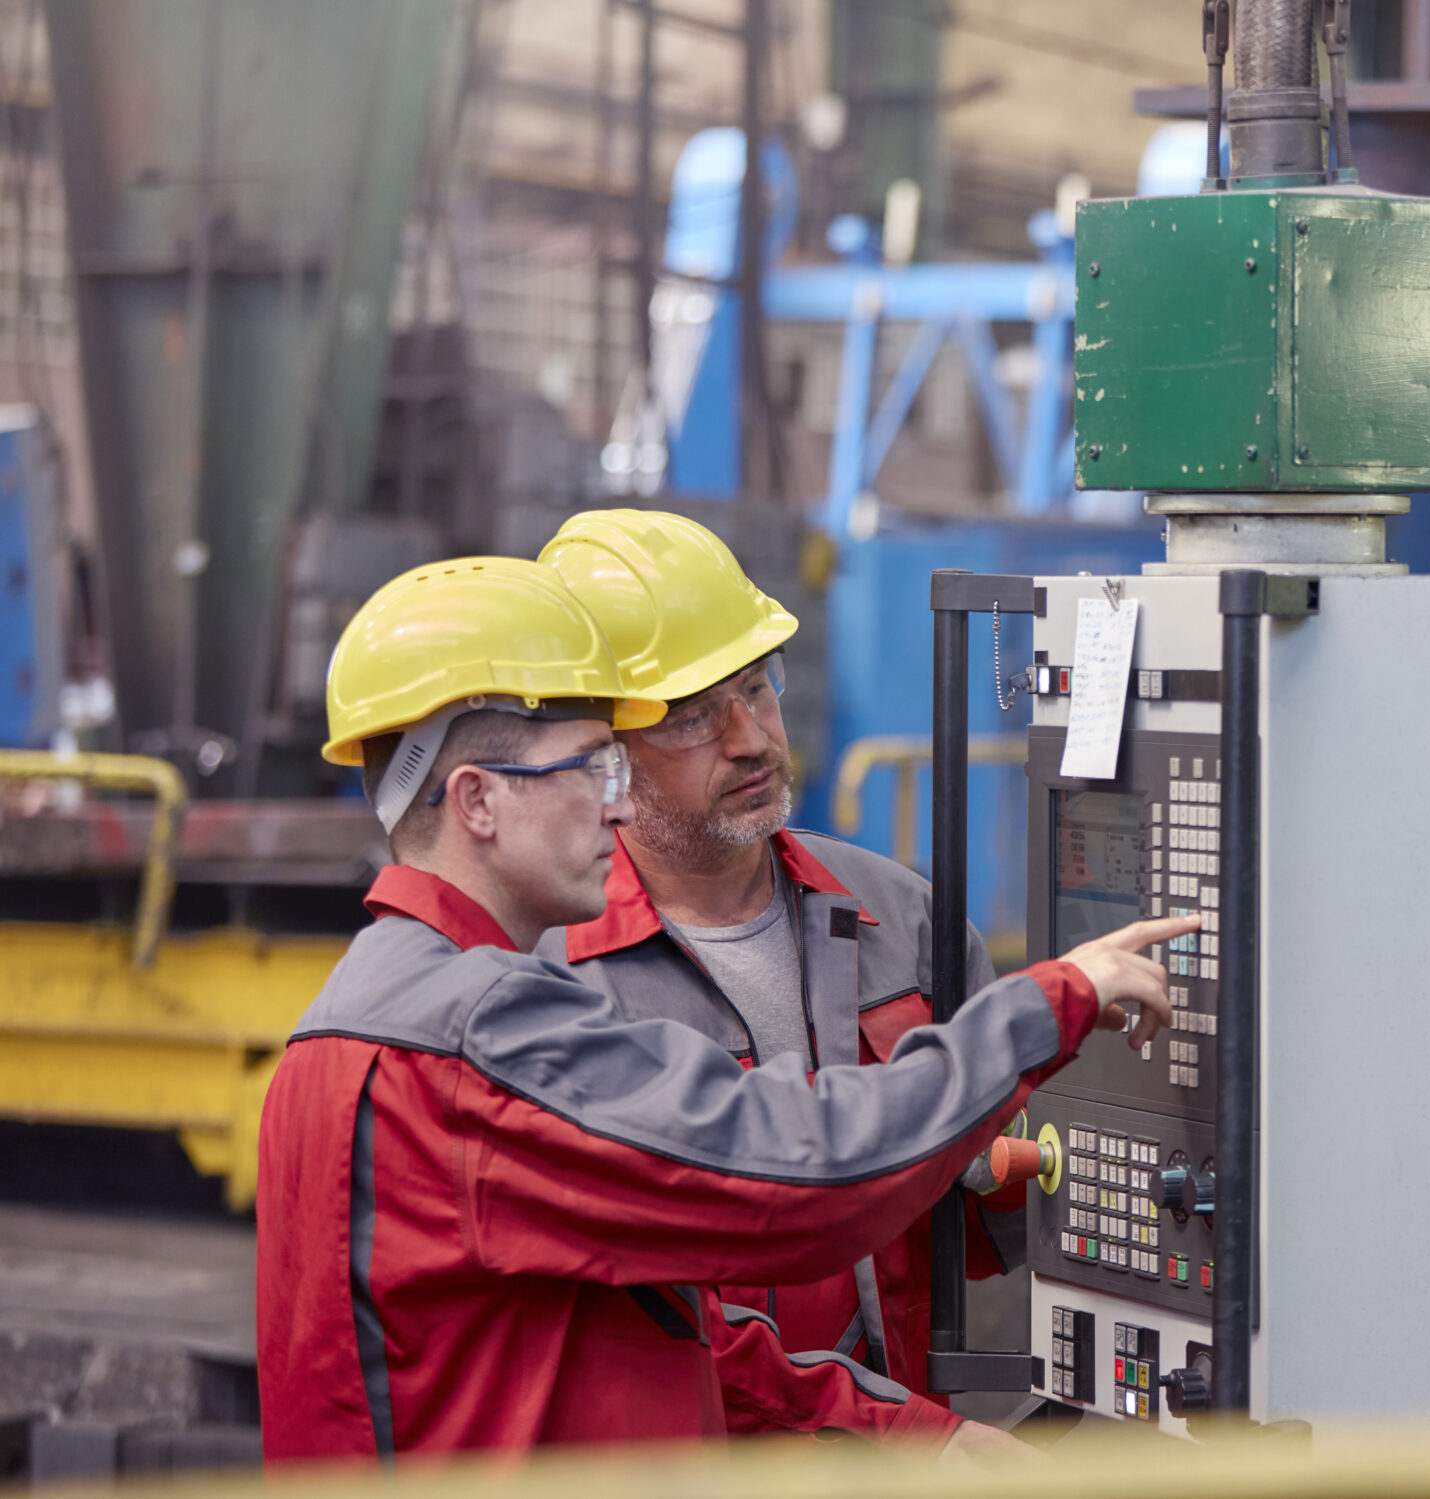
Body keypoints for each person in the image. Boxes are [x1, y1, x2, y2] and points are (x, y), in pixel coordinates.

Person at [256, 556, 1185, 1462]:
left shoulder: (345, 1025)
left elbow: (675, 1320)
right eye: (591, 768)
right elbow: (798, 1174)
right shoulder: (480, 1034)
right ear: (478, 802)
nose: (614, 811)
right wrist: (1048, 1004)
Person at [530, 510, 1031, 1410]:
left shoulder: (904, 918)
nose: (752, 738)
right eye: (692, 717)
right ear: (599, 754)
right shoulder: (552, 986)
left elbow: (1012, 1228)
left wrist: (1013, 1171)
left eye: (756, 688)